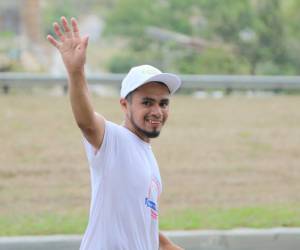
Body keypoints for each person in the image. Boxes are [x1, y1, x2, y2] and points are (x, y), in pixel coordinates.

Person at [47, 16, 183, 250]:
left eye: (163, 103)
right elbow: (86, 122)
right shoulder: (113, 140)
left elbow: (139, 221)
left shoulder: (147, 155)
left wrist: (168, 246)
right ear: (124, 105)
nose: (157, 111)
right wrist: (76, 71)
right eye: (147, 102)